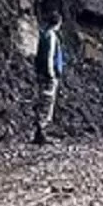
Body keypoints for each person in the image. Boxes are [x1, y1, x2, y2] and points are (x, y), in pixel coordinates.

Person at [33, 11, 64, 145]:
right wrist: (51, 74)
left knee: (42, 100)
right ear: (58, 23)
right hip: (48, 74)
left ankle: (40, 131)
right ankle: (42, 132)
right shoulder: (51, 36)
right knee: (47, 101)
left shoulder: (43, 34)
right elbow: (49, 56)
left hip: (41, 72)